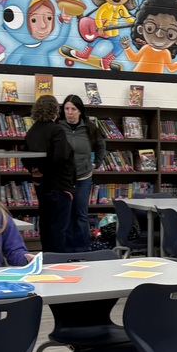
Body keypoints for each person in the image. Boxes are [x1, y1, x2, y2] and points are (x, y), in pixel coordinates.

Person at [24, 95, 75, 253]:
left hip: (41, 185)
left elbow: (25, 158)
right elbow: (59, 157)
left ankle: (46, 259)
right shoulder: (56, 129)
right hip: (59, 184)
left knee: (46, 224)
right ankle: (58, 263)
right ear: (56, 110)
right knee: (59, 228)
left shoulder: (32, 131)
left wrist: (37, 171)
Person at [59, 95, 105, 252]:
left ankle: (82, 250)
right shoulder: (58, 127)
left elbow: (101, 145)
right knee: (66, 214)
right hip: (63, 178)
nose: (70, 112)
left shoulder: (90, 128)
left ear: (80, 111)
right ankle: (67, 250)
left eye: (73, 109)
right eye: (66, 109)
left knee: (80, 214)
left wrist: (96, 163)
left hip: (83, 177)